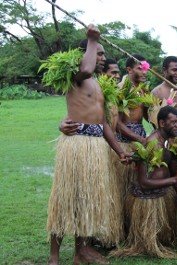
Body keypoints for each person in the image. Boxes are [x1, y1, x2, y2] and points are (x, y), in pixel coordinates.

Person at [46, 25, 131, 265]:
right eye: (99, 54)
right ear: (86, 53)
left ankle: (79, 254)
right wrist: (92, 40)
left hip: (95, 147)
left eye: (103, 54)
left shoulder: (99, 85)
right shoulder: (75, 74)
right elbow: (85, 69)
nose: (102, 59)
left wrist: (119, 150)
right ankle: (54, 258)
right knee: (66, 201)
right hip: (77, 145)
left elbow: (103, 122)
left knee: (87, 199)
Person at [111, 106, 177, 259]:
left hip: (163, 194)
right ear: (161, 123)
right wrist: (175, 180)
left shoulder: (169, 142)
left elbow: (172, 168)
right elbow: (143, 183)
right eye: (173, 122)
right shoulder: (151, 145)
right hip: (149, 201)